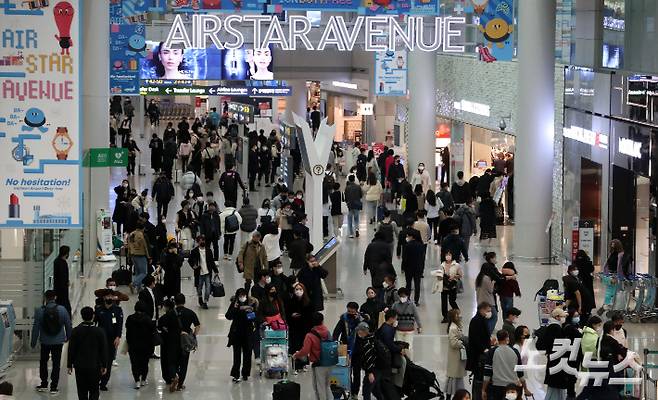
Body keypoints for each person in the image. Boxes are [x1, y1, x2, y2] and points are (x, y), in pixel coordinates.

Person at [32, 290, 72, 394]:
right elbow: (68, 324)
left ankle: (44, 384)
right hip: (58, 342)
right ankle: (54, 387)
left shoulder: (40, 311)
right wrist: (69, 337)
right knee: (56, 363)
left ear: (45, 298)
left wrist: (33, 342)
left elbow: (35, 328)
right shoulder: (62, 310)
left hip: (45, 341)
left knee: (43, 362)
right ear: (55, 297)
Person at [66, 306, 107, 400]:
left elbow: (71, 349)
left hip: (80, 366)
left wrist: (69, 365)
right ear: (93, 316)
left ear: (82, 316)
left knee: (82, 391)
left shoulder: (76, 331)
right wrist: (104, 365)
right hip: (95, 366)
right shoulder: (100, 331)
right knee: (94, 390)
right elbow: (103, 350)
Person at [293, 312, 333, 400]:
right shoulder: (327, 331)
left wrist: (297, 355)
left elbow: (305, 351)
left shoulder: (310, 335)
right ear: (322, 321)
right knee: (327, 386)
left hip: (318, 364)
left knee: (319, 387)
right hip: (330, 362)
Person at [226, 288, 258, 383]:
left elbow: (255, 318)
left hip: (248, 333)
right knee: (237, 355)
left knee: (247, 354)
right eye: (240, 296)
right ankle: (236, 374)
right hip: (236, 333)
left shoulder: (251, 304)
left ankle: (245, 373)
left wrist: (250, 313)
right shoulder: (234, 304)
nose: (242, 298)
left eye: (244, 296)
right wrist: (235, 308)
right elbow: (228, 316)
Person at [94, 290, 123, 391]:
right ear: (104, 298)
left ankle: (103, 383)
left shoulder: (118, 310)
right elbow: (94, 323)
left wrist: (118, 337)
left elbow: (120, 325)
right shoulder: (98, 310)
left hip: (112, 340)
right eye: (108, 296)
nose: (110, 298)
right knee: (98, 360)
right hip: (99, 340)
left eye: (111, 296)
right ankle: (96, 379)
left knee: (109, 361)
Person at [539, 308, 570, 400]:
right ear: (557, 317)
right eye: (563, 316)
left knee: (555, 389)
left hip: (554, 362)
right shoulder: (555, 328)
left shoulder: (553, 327)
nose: (564, 319)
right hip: (557, 363)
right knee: (555, 388)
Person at [125, 301, 155, 390]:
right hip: (146, 345)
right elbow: (152, 332)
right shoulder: (148, 319)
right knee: (144, 363)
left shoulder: (130, 318)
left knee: (135, 363)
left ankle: (137, 380)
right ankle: (143, 380)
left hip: (133, 345)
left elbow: (128, 330)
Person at [174, 294, 201, 390]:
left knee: (174, 361)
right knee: (184, 363)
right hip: (185, 342)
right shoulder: (190, 313)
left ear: (175, 302)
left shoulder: (171, 313)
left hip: (174, 340)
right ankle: (180, 385)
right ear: (184, 302)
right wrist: (193, 336)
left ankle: (174, 376)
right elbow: (197, 325)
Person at [475, 252, 506, 334]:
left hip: (480, 300)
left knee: (483, 317)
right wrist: (493, 283)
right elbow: (491, 290)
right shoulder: (486, 278)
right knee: (494, 317)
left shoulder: (478, 278)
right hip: (488, 301)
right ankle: (487, 332)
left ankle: (482, 330)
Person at [287, 282, 314, 372]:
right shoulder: (291, 302)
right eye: (296, 289)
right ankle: (296, 365)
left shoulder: (308, 302)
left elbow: (310, 316)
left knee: (304, 345)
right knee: (295, 346)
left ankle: (304, 363)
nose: (298, 291)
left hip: (305, 327)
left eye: (300, 289)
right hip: (294, 327)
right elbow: (287, 314)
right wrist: (292, 315)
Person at [158, 299, 182, 392]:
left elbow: (159, 326)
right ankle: (177, 377)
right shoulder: (177, 316)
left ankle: (170, 378)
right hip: (177, 341)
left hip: (166, 342)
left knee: (166, 360)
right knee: (176, 360)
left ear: (167, 307)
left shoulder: (164, 317)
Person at [189, 235, 219, 309]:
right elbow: (190, 260)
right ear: (198, 242)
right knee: (199, 288)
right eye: (201, 240)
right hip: (199, 273)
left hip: (207, 272)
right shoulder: (194, 251)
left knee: (208, 288)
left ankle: (205, 301)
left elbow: (212, 261)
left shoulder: (209, 250)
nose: (202, 242)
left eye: (203, 240)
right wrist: (193, 266)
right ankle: (200, 298)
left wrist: (216, 271)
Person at [391, 287, 422, 357]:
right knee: (399, 348)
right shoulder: (395, 305)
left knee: (409, 348)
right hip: (399, 330)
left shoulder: (412, 305)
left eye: (404, 296)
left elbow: (417, 316)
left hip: (409, 331)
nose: (402, 297)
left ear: (407, 296)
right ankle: (402, 363)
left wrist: (420, 326)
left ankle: (410, 363)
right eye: (401, 296)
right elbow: (391, 316)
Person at [351, 322, 377, 400]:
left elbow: (369, 358)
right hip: (373, 368)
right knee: (374, 390)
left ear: (364, 331)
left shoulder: (367, 342)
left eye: (359, 331)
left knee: (367, 389)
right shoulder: (370, 338)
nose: (358, 333)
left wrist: (370, 372)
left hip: (372, 370)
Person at [466, 302, 493, 374]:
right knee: (478, 374)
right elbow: (475, 338)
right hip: (478, 353)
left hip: (481, 351)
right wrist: (484, 349)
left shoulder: (482, 319)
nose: (489, 313)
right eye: (488, 311)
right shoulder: (476, 320)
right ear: (481, 310)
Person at [401, 229, 426, 305]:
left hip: (408, 268)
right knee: (417, 284)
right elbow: (422, 259)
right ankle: (416, 301)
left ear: (412, 236)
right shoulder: (421, 245)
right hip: (418, 267)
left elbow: (404, 258)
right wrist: (422, 268)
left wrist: (403, 267)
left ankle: (407, 299)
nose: (407, 237)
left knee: (408, 284)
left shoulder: (407, 245)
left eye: (408, 236)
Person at [446, 309, 467, 398]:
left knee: (455, 376)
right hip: (455, 356)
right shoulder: (453, 328)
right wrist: (463, 343)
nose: (460, 316)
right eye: (457, 315)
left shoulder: (457, 326)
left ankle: (452, 394)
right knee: (454, 376)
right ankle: (452, 395)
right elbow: (453, 343)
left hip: (457, 356)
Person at [441, 250, 463, 323]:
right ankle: (445, 316)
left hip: (452, 285)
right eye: (446, 254)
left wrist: (453, 277)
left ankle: (457, 314)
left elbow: (460, 275)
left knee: (452, 301)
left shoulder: (456, 265)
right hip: (444, 286)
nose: (448, 256)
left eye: (449, 254)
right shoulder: (442, 265)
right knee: (444, 302)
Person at [127, 222, 150, 294]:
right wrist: (148, 256)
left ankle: (139, 288)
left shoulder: (131, 234)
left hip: (133, 255)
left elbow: (129, 246)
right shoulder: (141, 235)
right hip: (141, 255)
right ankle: (133, 284)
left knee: (137, 272)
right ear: (142, 228)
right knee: (144, 273)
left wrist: (128, 255)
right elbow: (145, 246)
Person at [53, 245, 71, 316]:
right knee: (65, 307)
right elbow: (62, 277)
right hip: (62, 290)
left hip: (58, 289)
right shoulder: (63, 263)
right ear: (66, 253)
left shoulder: (56, 261)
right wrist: (66, 282)